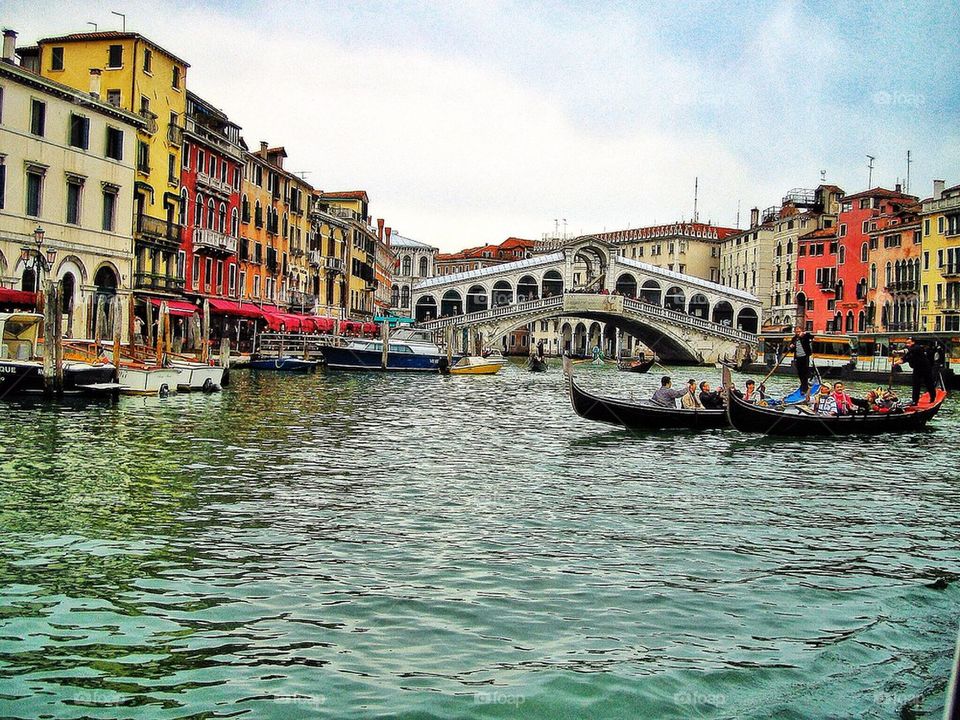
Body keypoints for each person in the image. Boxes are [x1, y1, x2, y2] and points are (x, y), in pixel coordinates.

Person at [893, 336, 938, 406]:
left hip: (925, 368)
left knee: (928, 383)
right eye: (906, 343)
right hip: (917, 368)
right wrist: (895, 363)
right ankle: (915, 401)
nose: (907, 344)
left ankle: (932, 397)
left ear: (913, 342)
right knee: (916, 384)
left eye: (909, 343)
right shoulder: (910, 350)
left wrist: (897, 351)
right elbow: (904, 359)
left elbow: (907, 351)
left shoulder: (917, 348)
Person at [787, 326, 814, 394]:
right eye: (796, 331)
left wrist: (804, 333)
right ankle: (803, 385)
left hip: (805, 357)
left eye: (799, 331)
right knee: (800, 373)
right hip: (798, 358)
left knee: (805, 372)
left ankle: (804, 388)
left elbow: (811, 336)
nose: (798, 333)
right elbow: (791, 350)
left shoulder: (805, 336)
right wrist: (790, 347)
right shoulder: (794, 339)